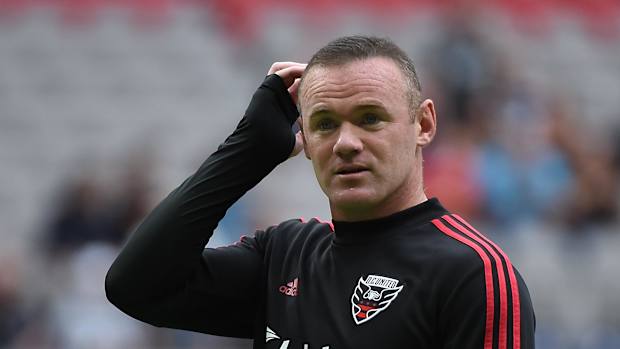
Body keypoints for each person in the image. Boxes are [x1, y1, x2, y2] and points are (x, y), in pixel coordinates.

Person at [105, 36, 535, 349]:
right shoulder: (285, 255)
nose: (346, 142)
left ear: (422, 125)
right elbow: (136, 287)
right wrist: (244, 154)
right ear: (306, 140)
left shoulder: (472, 274)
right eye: (325, 123)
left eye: (370, 118)